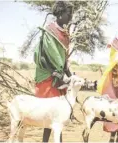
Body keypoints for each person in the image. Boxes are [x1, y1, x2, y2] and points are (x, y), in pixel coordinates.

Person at [33, 1, 73, 142]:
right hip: (48, 77)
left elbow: (63, 60)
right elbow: (45, 57)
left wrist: (71, 77)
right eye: (69, 14)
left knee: (56, 116)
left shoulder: (64, 33)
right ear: (60, 14)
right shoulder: (50, 31)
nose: (71, 17)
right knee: (54, 115)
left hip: (59, 77)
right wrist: (57, 74)